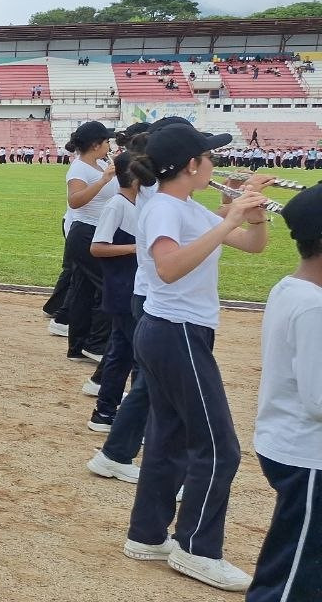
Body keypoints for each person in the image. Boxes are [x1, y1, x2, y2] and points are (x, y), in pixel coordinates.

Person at [122, 124, 267, 592]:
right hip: (174, 330)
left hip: (178, 332)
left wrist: (253, 212)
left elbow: (252, 245)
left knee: (168, 437)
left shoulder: (185, 207)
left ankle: (147, 536)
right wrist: (228, 220)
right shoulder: (165, 208)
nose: (213, 163)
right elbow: (167, 269)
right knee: (219, 446)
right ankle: (197, 549)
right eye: (209, 156)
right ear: (191, 164)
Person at [246, 185, 322, 601]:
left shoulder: (293, 288)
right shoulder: (313, 307)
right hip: (308, 454)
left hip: (292, 444)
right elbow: (318, 400)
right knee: (295, 576)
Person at [85, 152, 138, 430]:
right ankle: (109, 411)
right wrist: (135, 248)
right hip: (123, 288)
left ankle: (106, 410)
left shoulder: (138, 202)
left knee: (122, 352)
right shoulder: (117, 205)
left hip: (132, 287)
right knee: (127, 355)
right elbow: (97, 247)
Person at [61, 121, 117, 365]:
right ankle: (96, 344)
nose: (109, 145)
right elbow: (75, 201)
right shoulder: (79, 168)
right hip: (86, 232)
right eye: (106, 141)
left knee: (83, 290)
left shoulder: (102, 164)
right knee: (108, 287)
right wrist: (103, 181)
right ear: (96, 144)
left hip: (98, 230)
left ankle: (78, 346)